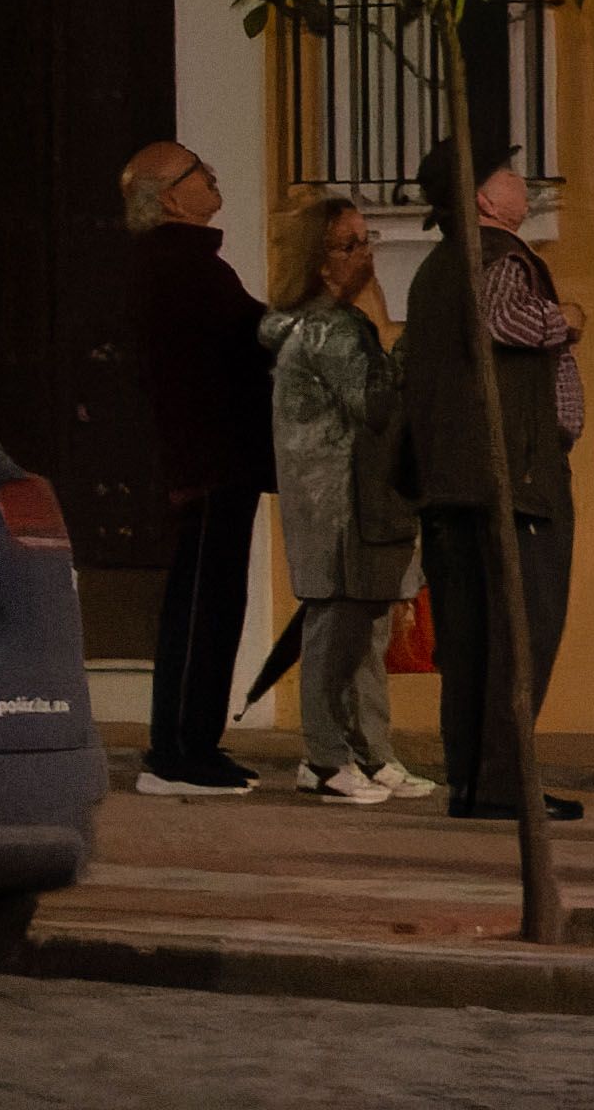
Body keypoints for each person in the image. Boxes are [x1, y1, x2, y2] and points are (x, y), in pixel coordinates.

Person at [399, 153, 583, 825]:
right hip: (512, 481)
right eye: (506, 173)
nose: (522, 181)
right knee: (519, 633)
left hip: (458, 481)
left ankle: (475, 785)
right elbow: (503, 322)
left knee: (473, 640)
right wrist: (565, 319)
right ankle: (503, 786)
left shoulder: (435, 267)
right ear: (483, 198)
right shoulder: (500, 257)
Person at [260, 189, 424, 804]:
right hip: (334, 505)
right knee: (336, 632)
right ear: (320, 263)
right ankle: (326, 759)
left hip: (352, 500)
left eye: (367, 241)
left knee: (367, 632)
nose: (366, 255)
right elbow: (376, 402)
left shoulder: (335, 324)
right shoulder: (329, 328)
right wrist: (404, 340)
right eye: (350, 245)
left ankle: (370, 753)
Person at [122, 140, 273, 799]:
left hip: (213, 465)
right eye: (197, 171)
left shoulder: (186, 267)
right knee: (203, 610)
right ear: (172, 198)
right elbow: (254, 335)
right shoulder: (184, 270)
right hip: (208, 466)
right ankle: (179, 753)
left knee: (213, 605)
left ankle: (194, 743)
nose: (212, 175)